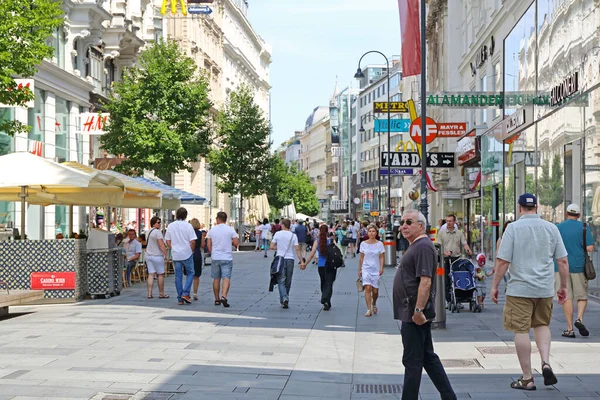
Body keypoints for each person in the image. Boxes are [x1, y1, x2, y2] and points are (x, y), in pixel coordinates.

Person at [491, 193, 569, 390]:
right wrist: (563, 287)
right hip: (544, 288)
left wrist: (494, 286)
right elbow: (562, 261)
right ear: (537, 207)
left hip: (520, 288)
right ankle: (545, 362)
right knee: (542, 324)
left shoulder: (513, 229)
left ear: (519, 208)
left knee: (521, 329)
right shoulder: (551, 228)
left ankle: (527, 377)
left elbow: (502, 261)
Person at [392, 210, 456, 400]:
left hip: (414, 313)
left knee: (412, 360)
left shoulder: (422, 247)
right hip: (411, 311)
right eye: (402, 222)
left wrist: (418, 310)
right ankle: (449, 396)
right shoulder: (416, 245)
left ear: (421, 225)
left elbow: (425, 281)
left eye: (408, 222)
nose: (403, 225)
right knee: (427, 357)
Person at [556, 203, 594, 338]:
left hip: (560, 267)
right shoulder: (584, 227)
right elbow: (590, 248)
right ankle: (579, 319)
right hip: (579, 266)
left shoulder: (558, 227)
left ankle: (570, 329)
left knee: (566, 297)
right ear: (578, 215)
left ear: (566, 213)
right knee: (582, 295)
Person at [436, 214, 472, 304]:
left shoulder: (459, 233)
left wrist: (468, 250)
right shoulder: (441, 233)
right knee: (446, 280)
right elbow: (438, 246)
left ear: (454, 222)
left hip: (456, 259)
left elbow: (464, 243)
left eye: (450, 221)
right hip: (445, 259)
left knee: (457, 278)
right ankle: (448, 300)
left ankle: (457, 298)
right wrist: (444, 252)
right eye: (447, 221)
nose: (448, 223)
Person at [165, 207, 197, 305]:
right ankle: (185, 293)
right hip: (186, 253)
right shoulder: (188, 226)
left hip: (176, 254)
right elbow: (192, 241)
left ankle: (180, 298)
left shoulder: (171, 226)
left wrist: (172, 248)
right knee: (191, 273)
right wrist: (192, 250)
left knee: (178, 276)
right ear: (185, 215)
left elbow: (167, 240)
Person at [270, 218, 305, 308]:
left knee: (281, 280)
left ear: (283, 225)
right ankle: (285, 297)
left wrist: (279, 249)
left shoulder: (277, 234)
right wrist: (301, 261)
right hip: (290, 259)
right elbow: (297, 249)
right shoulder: (293, 236)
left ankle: (284, 298)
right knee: (288, 280)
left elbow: (271, 246)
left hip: (280, 259)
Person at [207, 211, 239, 308]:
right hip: (227, 257)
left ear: (217, 219)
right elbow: (236, 242)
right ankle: (224, 296)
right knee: (226, 278)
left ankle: (216, 299)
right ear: (225, 219)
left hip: (216, 257)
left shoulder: (212, 230)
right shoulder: (230, 229)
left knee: (216, 279)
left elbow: (209, 244)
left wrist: (213, 253)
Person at [305, 225, 336, 310]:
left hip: (321, 266)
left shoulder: (317, 242)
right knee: (329, 283)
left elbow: (311, 254)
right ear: (327, 232)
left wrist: (305, 264)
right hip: (330, 265)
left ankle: (325, 299)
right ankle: (326, 299)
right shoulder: (331, 241)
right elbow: (336, 252)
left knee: (323, 282)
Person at [359, 224, 385, 317]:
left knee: (375, 291)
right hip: (366, 268)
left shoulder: (379, 244)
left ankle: (374, 303)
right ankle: (368, 309)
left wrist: (381, 268)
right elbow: (361, 258)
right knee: (368, 288)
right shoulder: (363, 244)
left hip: (376, 269)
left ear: (376, 232)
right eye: (370, 231)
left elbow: (382, 257)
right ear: (367, 232)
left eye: (373, 231)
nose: (371, 233)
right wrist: (360, 269)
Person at [145, 216, 169, 299]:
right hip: (157, 255)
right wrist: (166, 255)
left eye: (160, 222)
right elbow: (161, 244)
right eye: (158, 222)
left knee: (151, 274)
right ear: (154, 223)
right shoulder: (158, 232)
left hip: (148, 255)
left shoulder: (147, 232)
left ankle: (149, 293)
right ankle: (161, 293)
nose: (159, 224)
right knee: (160, 274)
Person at [190, 218, 205, 301]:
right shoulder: (200, 233)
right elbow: (202, 245)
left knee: (189, 274)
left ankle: (187, 292)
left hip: (189, 254)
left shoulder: (189, 233)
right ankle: (195, 293)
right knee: (196, 276)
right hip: (197, 254)